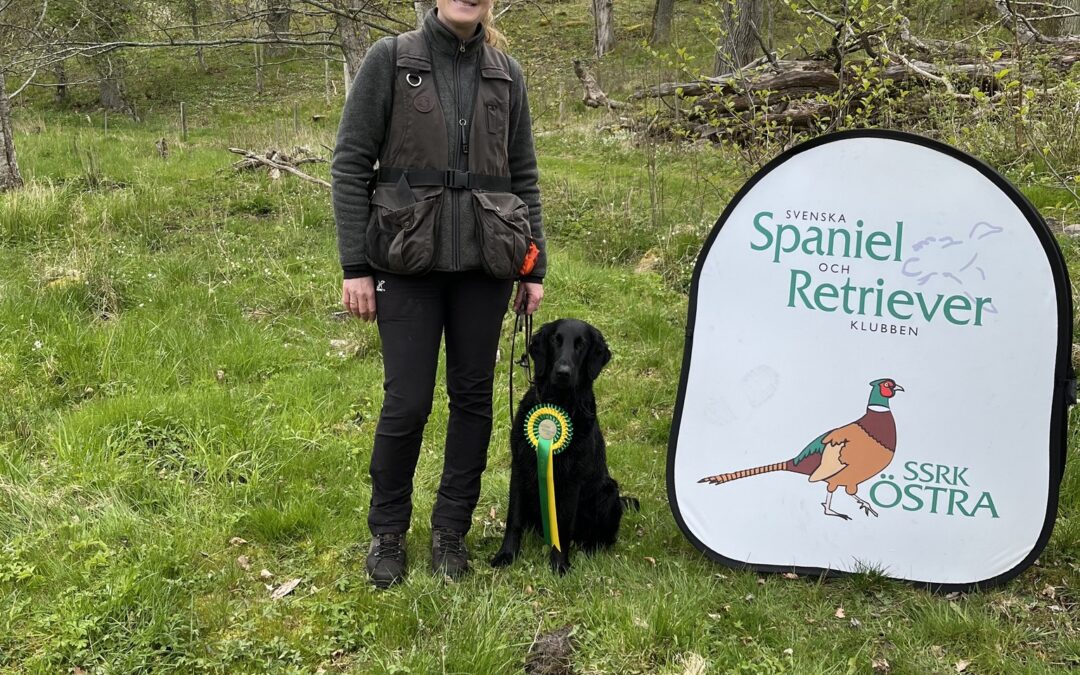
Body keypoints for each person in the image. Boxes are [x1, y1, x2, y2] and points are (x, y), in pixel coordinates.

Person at [330, 0, 546, 588]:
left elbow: (523, 176)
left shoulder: (506, 73)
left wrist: (534, 267)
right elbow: (350, 164)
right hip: (404, 262)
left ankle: (451, 530)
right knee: (407, 403)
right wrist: (355, 265)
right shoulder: (391, 59)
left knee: (472, 399)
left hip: (487, 264)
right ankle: (388, 531)